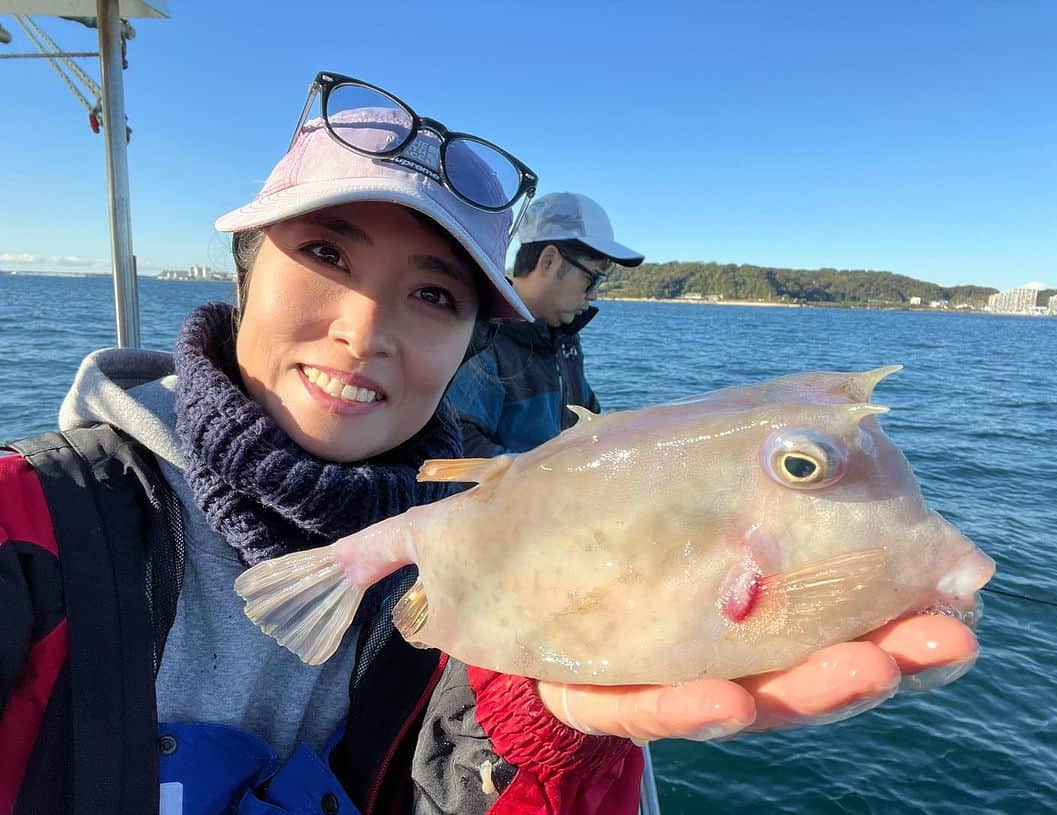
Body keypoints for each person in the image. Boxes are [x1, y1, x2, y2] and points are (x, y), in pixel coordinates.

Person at [0, 71, 982, 815]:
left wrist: (552, 722)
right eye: (328, 254)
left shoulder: (458, 599)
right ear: (243, 273)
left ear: (472, 333)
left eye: (433, 294)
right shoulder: (28, 524)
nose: (364, 326)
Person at [448, 192, 643, 456]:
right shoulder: (485, 341)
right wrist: (554, 480)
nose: (594, 295)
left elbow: (589, 416)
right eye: (593, 279)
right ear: (549, 261)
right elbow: (459, 445)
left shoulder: (564, 340)